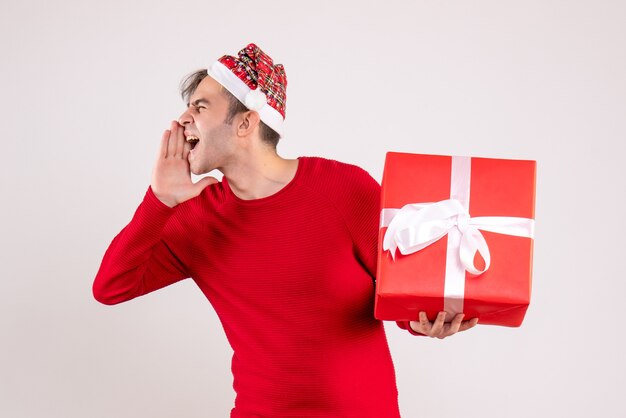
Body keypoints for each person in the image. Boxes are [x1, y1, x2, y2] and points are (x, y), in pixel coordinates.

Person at [93, 43, 478, 418]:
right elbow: (111, 287)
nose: (182, 120)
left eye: (200, 106)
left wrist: (426, 322)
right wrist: (160, 200)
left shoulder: (344, 189)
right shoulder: (196, 217)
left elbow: (403, 295)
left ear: (246, 122)